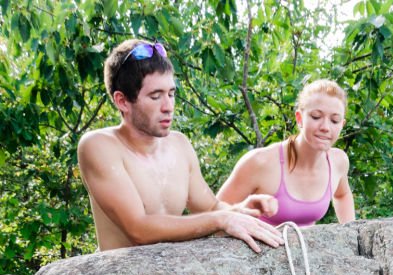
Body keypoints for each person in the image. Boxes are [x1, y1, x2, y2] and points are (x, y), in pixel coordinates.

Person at [78, 40, 282, 253]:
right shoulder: (99, 146)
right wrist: (221, 219)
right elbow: (138, 229)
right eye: (155, 96)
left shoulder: (179, 145)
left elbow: (211, 208)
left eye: (171, 94)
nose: (168, 107)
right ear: (122, 101)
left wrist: (241, 210)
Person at [217, 79, 355, 226]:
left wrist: (352, 233)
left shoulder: (338, 161)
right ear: (300, 118)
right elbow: (213, 216)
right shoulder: (260, 162)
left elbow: (342, 194)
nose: (325, 127)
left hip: (308, 248)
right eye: (316, 117)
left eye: (334, 120)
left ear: (342, 124)